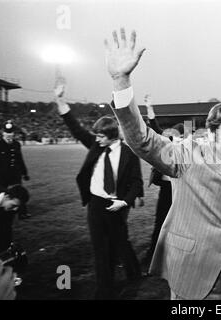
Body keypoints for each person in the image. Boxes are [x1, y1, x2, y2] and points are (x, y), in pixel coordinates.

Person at [105, 28, 221, 300]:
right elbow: (143, 141)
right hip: (197, 268)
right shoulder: (188, 156)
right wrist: (121, 81)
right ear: (211, 134)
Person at [53, 84, 144, 299]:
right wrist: (60, 101)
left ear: (112, 136)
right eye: (96, 136)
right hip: (95, 205)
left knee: (120, 244)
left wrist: (126, 201)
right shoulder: (95, 145)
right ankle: (104, 289)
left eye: (101, 136)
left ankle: (134, 274)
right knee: (100, 249)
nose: (97, 139)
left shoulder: (129, 153)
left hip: (116, 206)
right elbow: (75, 127)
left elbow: (137, 183)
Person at [141, 98, 183, 270]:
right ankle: (153, 255)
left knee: (180, 224)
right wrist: (150, 109)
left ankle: (176, 257)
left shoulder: (192, 150)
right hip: (167, 189)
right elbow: (155, 129)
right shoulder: (168, 144)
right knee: (160, 223)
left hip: (182, 191)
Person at [0, 121, 31, 220]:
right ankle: (0, 212)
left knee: (18, 193)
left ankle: (22, 213)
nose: (9, 135)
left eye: (11, 133)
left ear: (13, 133)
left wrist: (24, 173)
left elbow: (20, 160)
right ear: (3, 133)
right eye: (7, 133)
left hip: (15, 174)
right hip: (1, 176)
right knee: (2, 195)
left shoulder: (17, 144)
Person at [0, 181, 30, 253]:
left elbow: (5, 231)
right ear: (6, 197)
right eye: (14, 205)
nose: (15, 209)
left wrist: (3, 252)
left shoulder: (10, 209)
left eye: (18, 207)